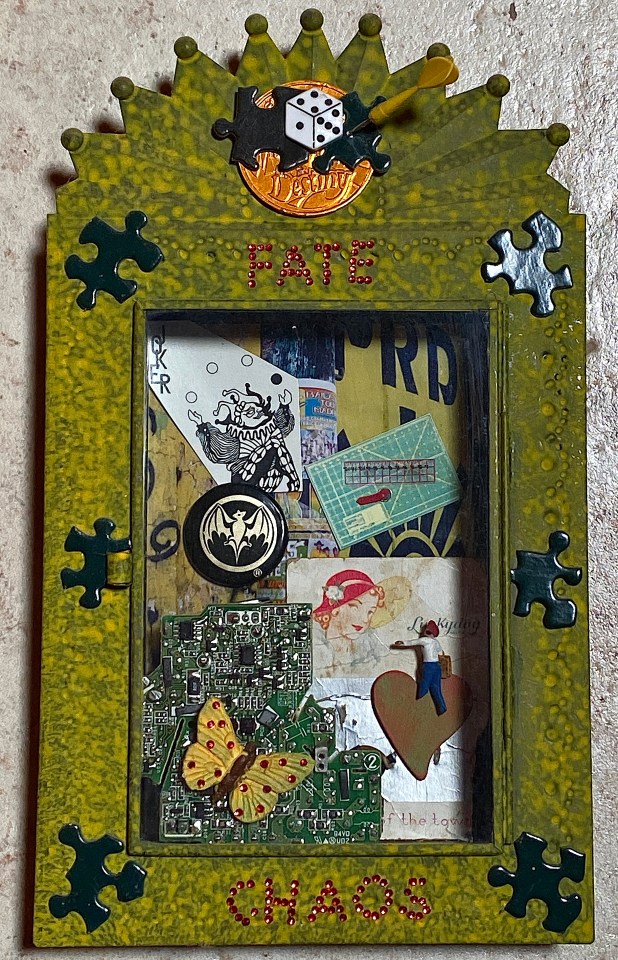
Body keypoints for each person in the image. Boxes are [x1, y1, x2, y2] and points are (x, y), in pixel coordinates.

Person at [392, 620, 447, 715]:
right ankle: (442, 707)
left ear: (428, 631)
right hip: (437, 666)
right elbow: (440, 651)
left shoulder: (424, 640)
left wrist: (402, 643)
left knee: (424, 685)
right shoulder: (436, 642)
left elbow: (412, 642)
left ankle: (420, 701)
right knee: (436, 688)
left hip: (428, 666)